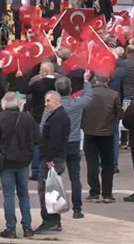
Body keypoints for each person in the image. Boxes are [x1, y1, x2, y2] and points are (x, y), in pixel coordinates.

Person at [39, 72, 93, 219]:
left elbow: (43, 126)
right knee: (75, 177)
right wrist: (86, 81)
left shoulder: (51, 107)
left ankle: (55, 211)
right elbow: (88, 97)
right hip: (74, 142)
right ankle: (77, 209)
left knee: (54, 178)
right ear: (70, 90)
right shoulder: (77, 104)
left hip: (58, 146)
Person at [0, 92, 39, 239]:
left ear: (4, 104)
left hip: (6, 161)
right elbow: (37, 139)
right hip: (23, 161)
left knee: (9, 195)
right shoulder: (28, 118)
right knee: (24, 195)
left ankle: (10, 229)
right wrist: (28, 152)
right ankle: (27, 227)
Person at [82, 73, 124, 204]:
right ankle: (107, 193)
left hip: (90, 131)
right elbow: (119, 113)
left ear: (95, 79)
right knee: (108, 164)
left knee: (92, 163)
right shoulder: (113, 94)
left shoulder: (88, 94)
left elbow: (82, 110)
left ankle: (94, 192)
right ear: (108, 80)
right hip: (107, 133)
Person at [35, 92, 71, 234]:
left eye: (48, 101)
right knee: (49, 191)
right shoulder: (57, 116)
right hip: (53, 158)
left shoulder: (58, 118)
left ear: (57, 101)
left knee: (48, 192)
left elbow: (56, 141)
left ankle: (50, 221)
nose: (46, 104)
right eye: (45, 101)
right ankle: (53, 221)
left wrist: (50, 159)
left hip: (52, 160)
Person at [16, 62, 57, 181]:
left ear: (45, 72)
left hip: (38, 116)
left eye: (40, 70)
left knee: (38, 144)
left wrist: (19, 77)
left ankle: (36, 171)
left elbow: (23, 89)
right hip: (54, 116)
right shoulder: (58, 83)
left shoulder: (39, 84)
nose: (39, 72)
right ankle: (51, 168)